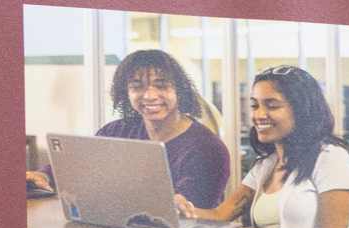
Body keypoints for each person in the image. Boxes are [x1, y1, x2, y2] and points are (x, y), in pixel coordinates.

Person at [93, 46, 242, 218]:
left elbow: (186, 215)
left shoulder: (207, 149)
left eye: (161, 85)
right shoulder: (113, 133)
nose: (149, 96)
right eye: (137, 86)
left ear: (179, 90)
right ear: (126, 93)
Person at [230, 63, 349, 228]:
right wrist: (188, 209)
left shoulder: (331, 158)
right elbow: (220, 214)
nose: (259, 115)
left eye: (272, 106)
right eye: (255, 106)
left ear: (302, 111)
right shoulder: (267, 164)